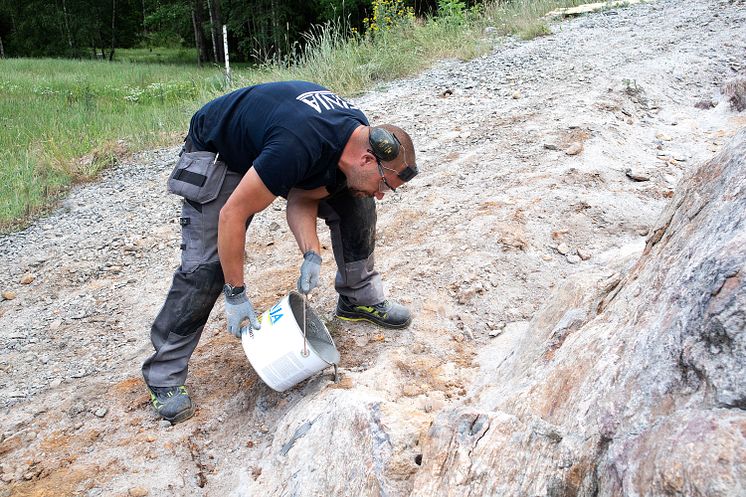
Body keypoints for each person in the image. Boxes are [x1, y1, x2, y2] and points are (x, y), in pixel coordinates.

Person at [141, 80, 419, 424]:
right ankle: (164, 374)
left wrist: (311, 252)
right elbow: (232, 213)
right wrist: (236, 294)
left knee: (355, 202)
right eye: (384, 185)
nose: (381, 194)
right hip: (221, 152)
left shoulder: (354, 135)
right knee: (209, 265)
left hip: (271, 143)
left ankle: (357, 298)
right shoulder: (296, 146)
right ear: (366, 159)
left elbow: (304, 195)